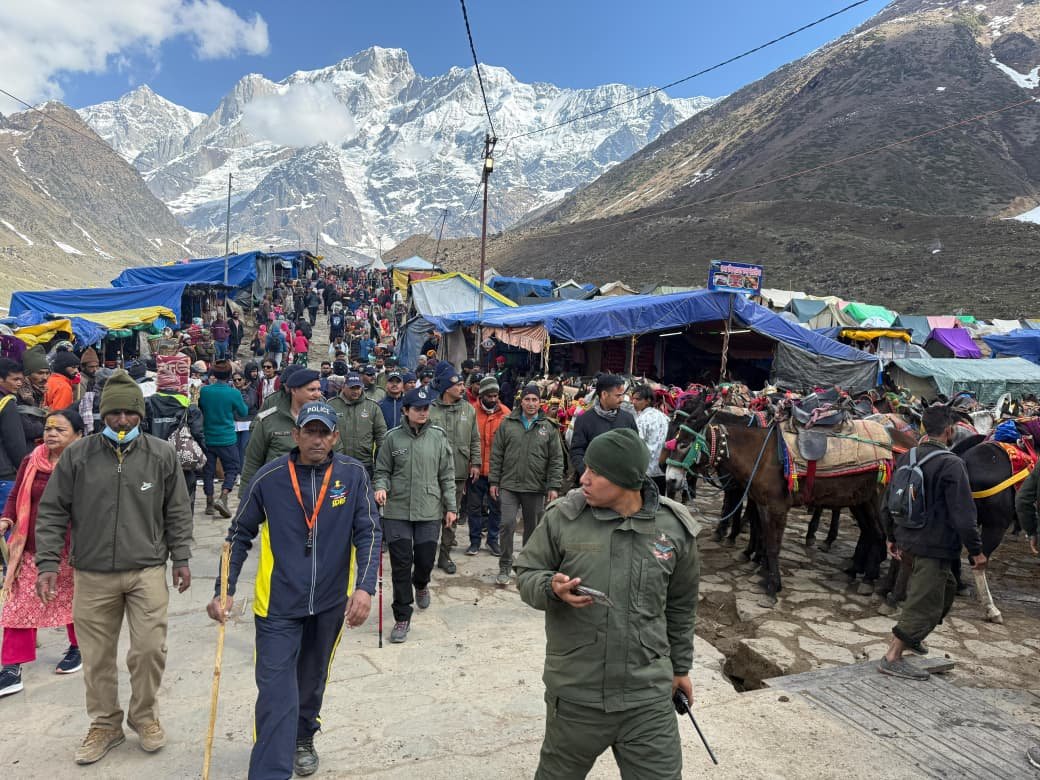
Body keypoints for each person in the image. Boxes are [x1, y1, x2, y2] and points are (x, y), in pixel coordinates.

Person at [207, 401, 380, 778]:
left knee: (312, 682)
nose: (317, 440)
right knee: (275, 693)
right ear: (296, 434)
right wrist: (225, 587)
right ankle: (270, 771)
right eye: (310, 431)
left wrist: (365, 588)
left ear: (335, 437)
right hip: (278, 605)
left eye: (324, 433)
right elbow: (239, 535)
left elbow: (369, 531)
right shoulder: (269, 479)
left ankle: (302, 737)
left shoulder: (352, 475)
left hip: (330, 603)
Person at [515, 428, 700, 779]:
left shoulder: (674, 528)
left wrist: (680, 669)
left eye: (595, 472)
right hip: (577, 696)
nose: (583, 479)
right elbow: (526, 573)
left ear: (626, 479)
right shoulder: (563, 517)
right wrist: (550, 587)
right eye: (585, 468)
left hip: (647, 698)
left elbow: (681, 606)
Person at [35, 370, 193, 765]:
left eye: (130, 413)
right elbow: (52, 511)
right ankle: (105, 724)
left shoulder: (161, 454)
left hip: (146, 570)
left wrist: (181, 557)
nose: (122, 421)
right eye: (114, 413)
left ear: (141, 413)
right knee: (97, 656)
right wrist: (47, 562)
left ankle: (145, 717)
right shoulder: (78, 455)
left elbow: (177, 509)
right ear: (102, 415)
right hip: (92, 573)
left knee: (149, 649)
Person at [879, 404, 985, 681]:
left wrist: (891, 535)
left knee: (946, 589)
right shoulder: (952, 464)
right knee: (923, 600)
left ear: (924, 428)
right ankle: (893, 656)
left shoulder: (908, 455)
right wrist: (976, 551)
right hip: (934, 545)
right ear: (949, 431)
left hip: (907, 538)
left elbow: (888, 499)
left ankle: (914, 636)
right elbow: (964, 515)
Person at [0, 409, 85, 699]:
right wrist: (7, 519)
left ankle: (79, 648)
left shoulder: (84, 464)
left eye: (60, 430)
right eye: (48, 428)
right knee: (18, 606)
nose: (51, 434)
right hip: (30, 548)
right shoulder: (31, 460)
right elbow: (16, 495)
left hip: (72, 550)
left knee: (74, 603)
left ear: (78, 435)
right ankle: (11, 668)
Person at [373, 386, 456, 644]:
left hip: (429, 508)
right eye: (418, 409)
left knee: (424, 560)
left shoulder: (438, 437)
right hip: (397, 509)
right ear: (406, 411)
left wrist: (451, 507)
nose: (423, 412)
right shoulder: (392, 438)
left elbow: (447, 475)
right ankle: (402, 616)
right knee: (400, 564)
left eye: (426, 408)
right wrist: (381, 487)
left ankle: (421, 584)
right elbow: (382, 470)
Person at [490, 384, 564, 586]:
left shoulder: (548, 427)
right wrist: (494, 481)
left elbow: (556, 460)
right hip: (509, 485)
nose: (531, 404)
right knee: (507, 524)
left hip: (535, 487)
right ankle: (505, 565)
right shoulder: (507, 423)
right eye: (527, 399)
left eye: (535, 400)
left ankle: (526, 567)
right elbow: (497, 454)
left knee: (532, 530)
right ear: (520, 401)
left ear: (540, 402)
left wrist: (553, 486)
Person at [241, 368, 338, 494]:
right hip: (278, 489)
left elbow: (337, 454)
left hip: (317, 489)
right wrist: (246, 494)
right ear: (294, 390)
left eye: (319, 389)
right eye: (311, 390)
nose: (317, 394)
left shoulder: (328, 417)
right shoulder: (269, 420)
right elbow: (253, 460)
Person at [428, 367, 480, 575]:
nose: (462, 388)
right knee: (430, 516)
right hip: (431, 473)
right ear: (446, 388)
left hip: (458, 472)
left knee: (451, 515)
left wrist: (475, 463)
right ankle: (426, 555)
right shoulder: (430, 409)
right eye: (457, 385)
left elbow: (474, 439)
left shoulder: (468, 410)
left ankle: (445, 555)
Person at [143, 364, 206, 516]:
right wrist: (203, 453)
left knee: (156, 501)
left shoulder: (147, 404)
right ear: (177, 387)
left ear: (159, 386)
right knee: (185, 500)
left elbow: (142, 431)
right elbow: (198, 434)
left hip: (154, 461)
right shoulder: (189, 407)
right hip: (182, 462)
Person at [198, 360, 249, 518]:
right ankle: (223, 496)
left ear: (213, 374)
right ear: (229, 375)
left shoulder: (205, 391)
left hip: (208, 437)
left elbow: (200, 408)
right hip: (227, 438)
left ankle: (209, 502)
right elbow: (243, 411)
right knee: (232, 468)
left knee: (208, 471)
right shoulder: (233, 393)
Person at [466, 376, 508, 557]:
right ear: (481, 395)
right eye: (489, 396)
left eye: (495, 396)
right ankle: (474, 541)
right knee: (474, 508)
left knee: (496, 508)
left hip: (496, 473)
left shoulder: (505, 414)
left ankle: (493, 540)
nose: (492, 399)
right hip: (475, 471)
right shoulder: (470, 412)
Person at [569, 374, 637, 483]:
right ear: (604, 394)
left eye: (622, 395)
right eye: (618, 396)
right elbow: (577, 451)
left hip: (621, 482)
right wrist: (587, 473)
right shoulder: (584, 420)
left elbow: (635, 448)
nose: (622, 399)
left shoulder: (627, 419)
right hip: (593, 482)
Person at [328, 372, 387, 476]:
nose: (356, 391)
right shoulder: (331, 405)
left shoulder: (372, 407)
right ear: (344, 386)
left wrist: (380, 461)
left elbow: (381, 434)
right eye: (352, 388)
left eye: (358, 388)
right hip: (338, 462)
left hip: (365, 463)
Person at [0, 358, 28, 511]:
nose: (19, 384)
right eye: (15, 379)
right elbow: (15, 443)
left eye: (21, 380)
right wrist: (24, 470)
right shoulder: (6, 403)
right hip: (4, 474)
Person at [631, 385, 671, 494]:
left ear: (648, 400)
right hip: (662, 470)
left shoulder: (641, 420)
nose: (633, 402)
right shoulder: (665, 417)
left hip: (646, 471)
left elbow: (637, 445)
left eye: (637, 399)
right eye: (633, 399)